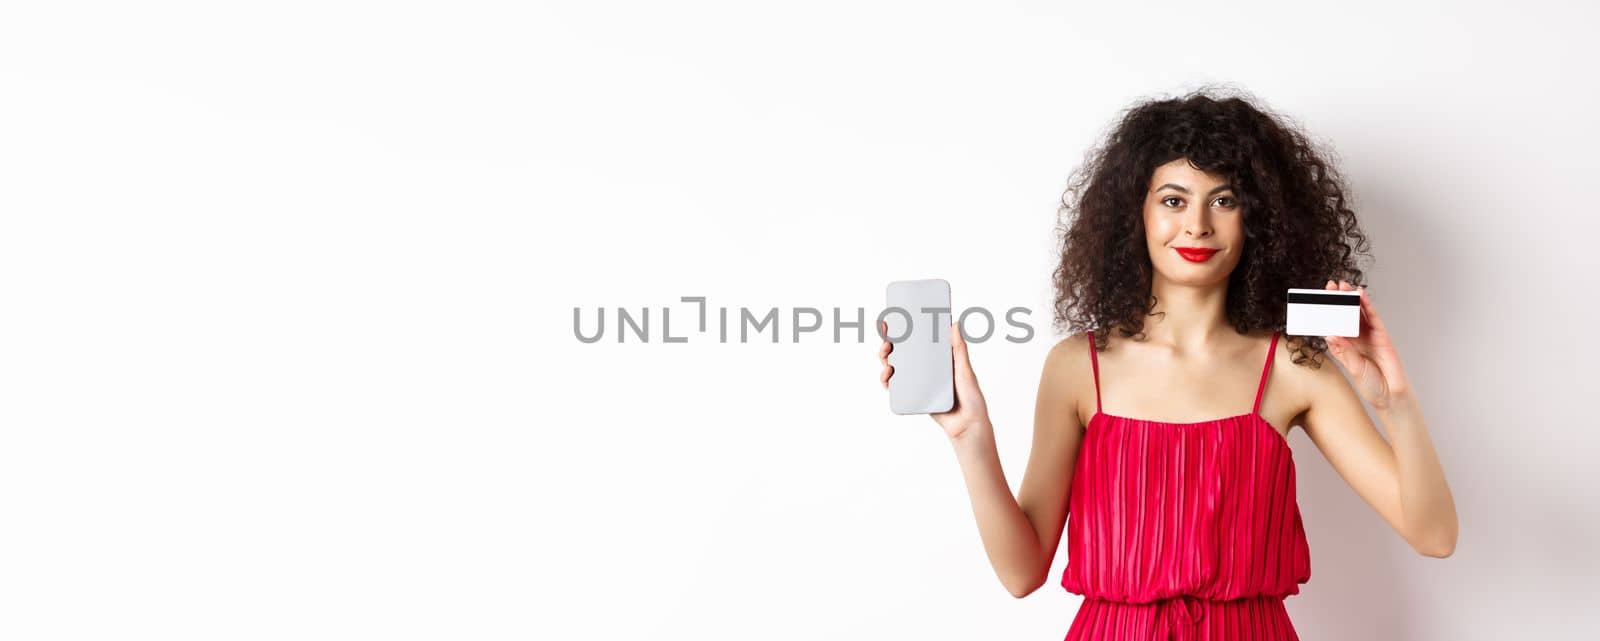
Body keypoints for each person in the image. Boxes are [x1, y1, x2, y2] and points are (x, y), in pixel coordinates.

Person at [876, 88, 1458, 640]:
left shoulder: (1295, 366)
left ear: (1258, 218)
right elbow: (1021, 573)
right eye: (1174, 199)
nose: (1198, 225)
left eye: (1224, 200)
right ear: (1137, 214)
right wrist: (970, 436)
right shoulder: (1078, 366)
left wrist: (1394, 403)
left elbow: (1434, 536)